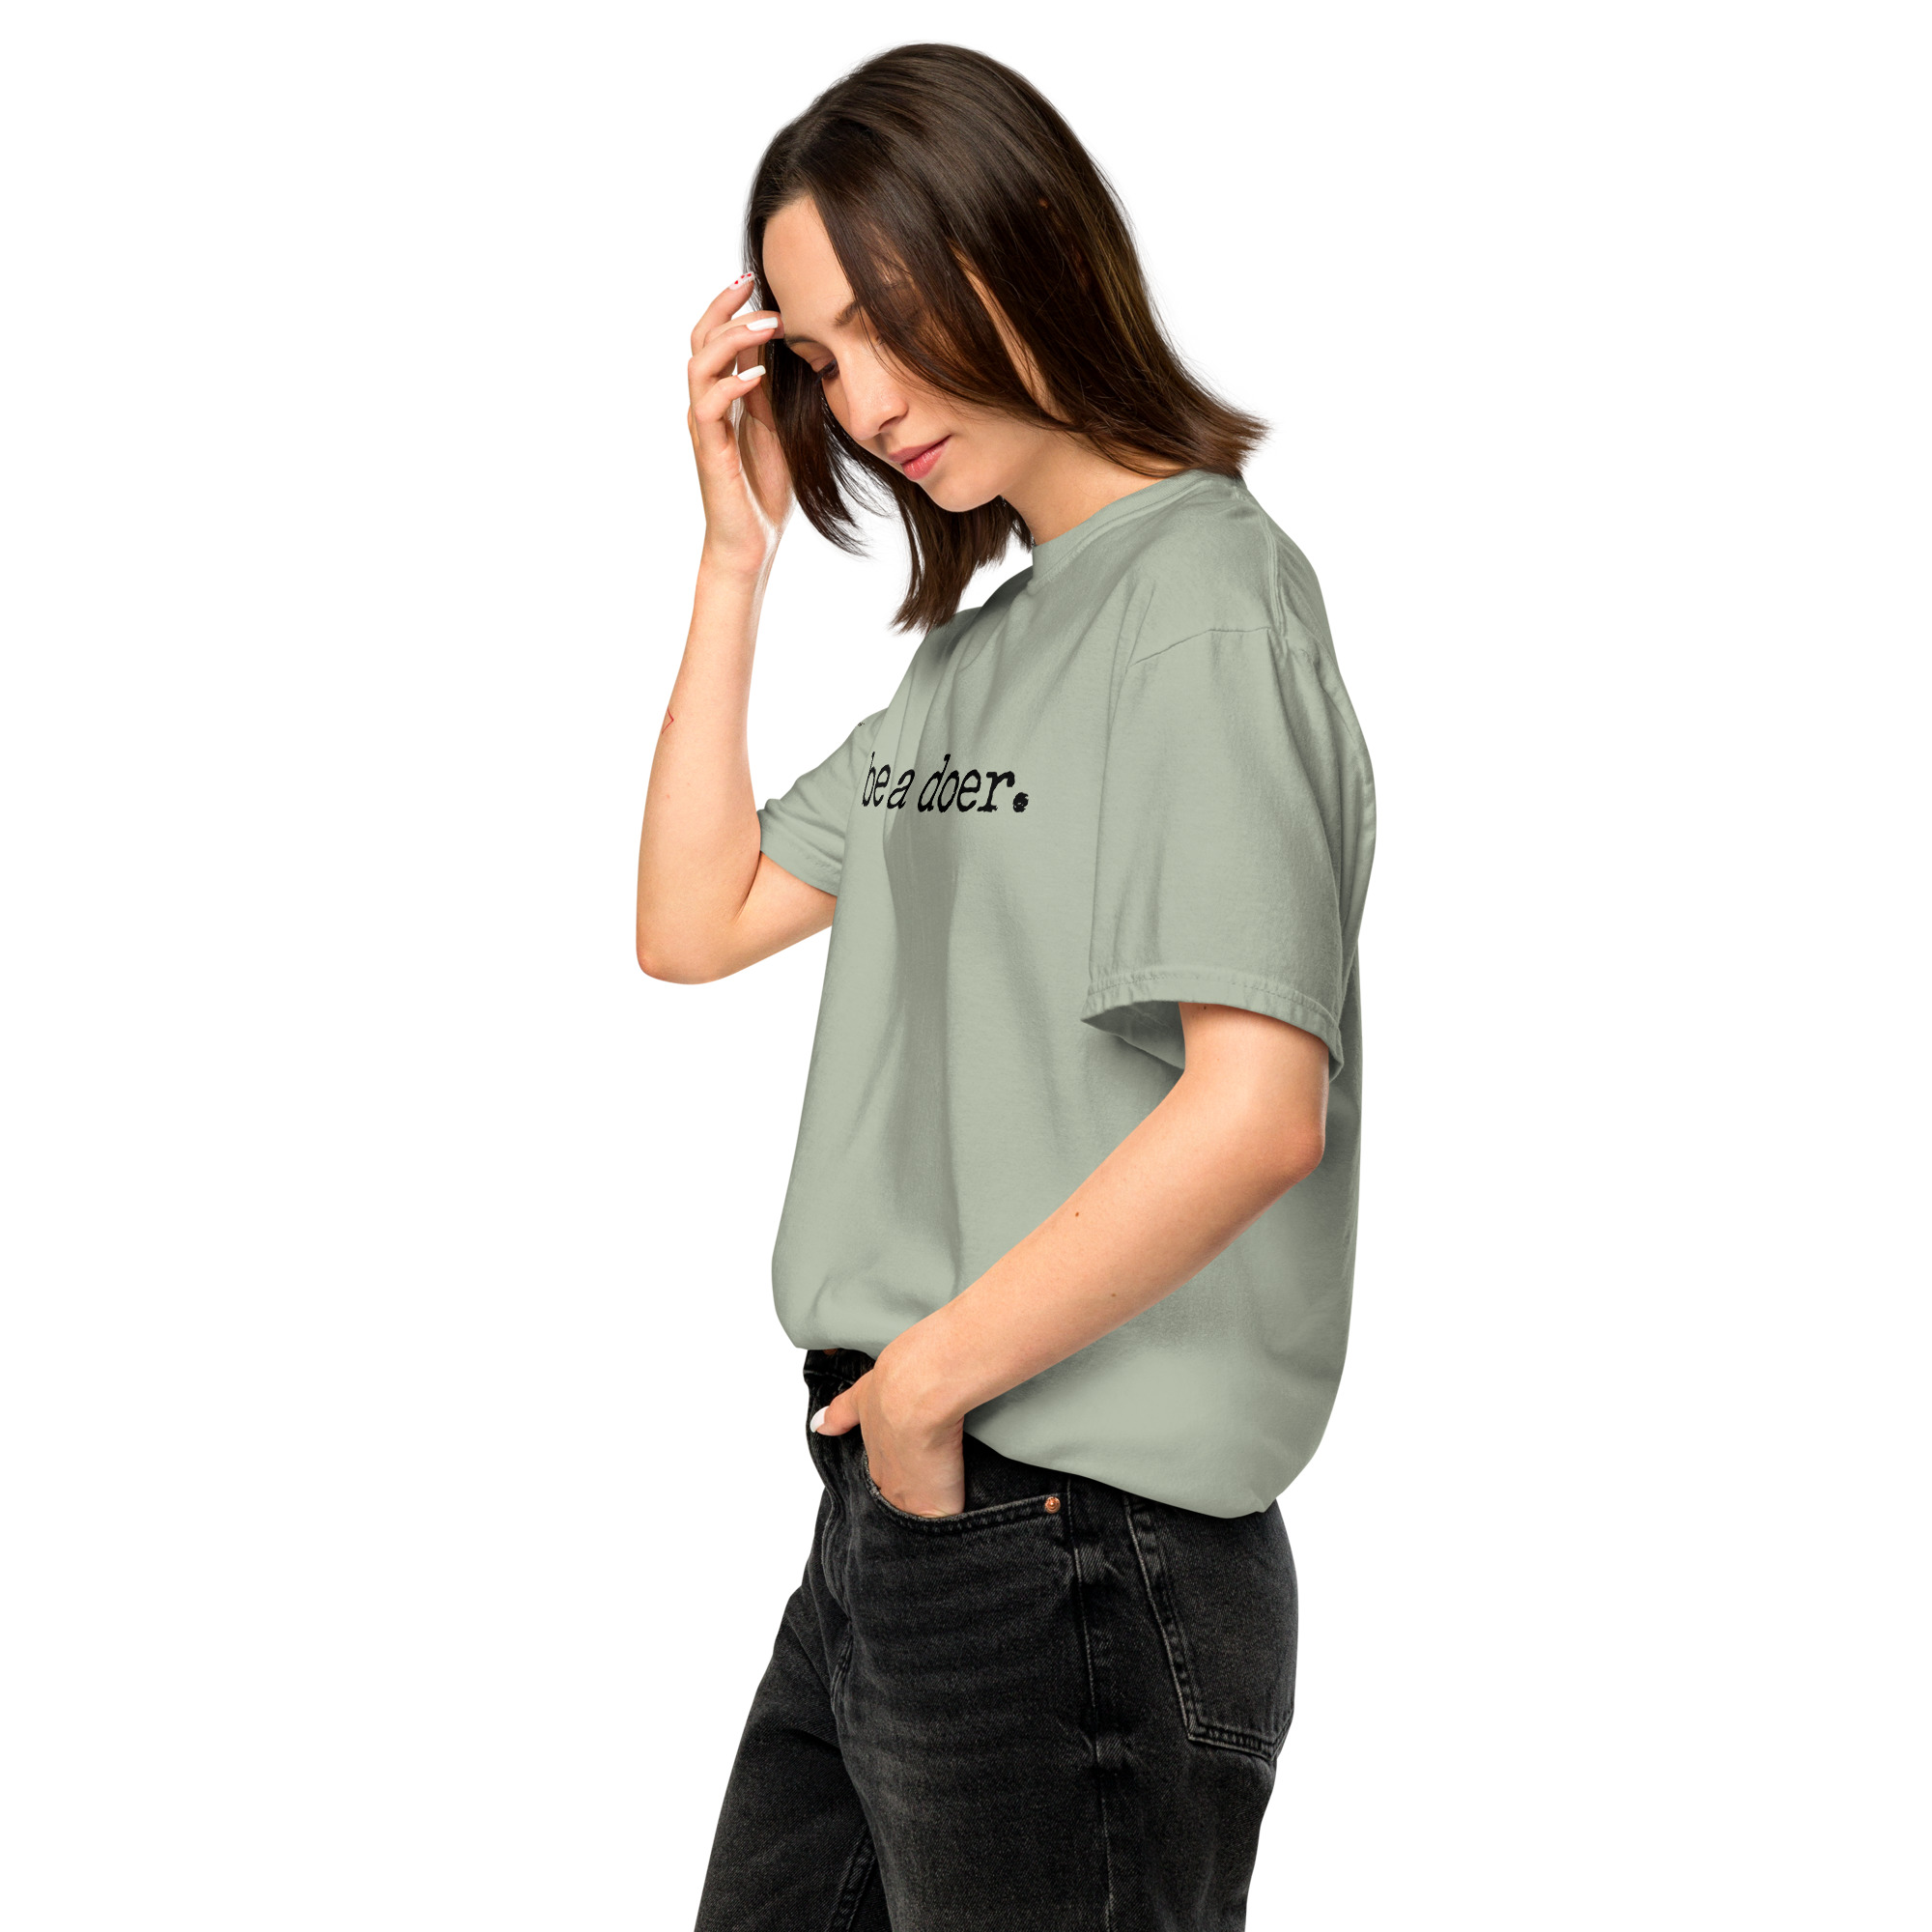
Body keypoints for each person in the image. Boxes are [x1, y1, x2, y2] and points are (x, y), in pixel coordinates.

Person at [637, 43, 1377, 1932]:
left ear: (1027, 241)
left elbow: (1256, 1105)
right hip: (903, 1520)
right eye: (819, 358)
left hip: (1074, 1540)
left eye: (891, 319)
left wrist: (930, 1392)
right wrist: (732, 561)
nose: (868, 400)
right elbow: (695, 916)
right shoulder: (975, 666)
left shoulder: (1202, 605)